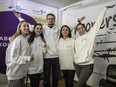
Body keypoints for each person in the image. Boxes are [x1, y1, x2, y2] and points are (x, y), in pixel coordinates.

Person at [13, 10, 60, 87]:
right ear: (46, 19)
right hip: (46, 58)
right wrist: (19, 18)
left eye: (52, 18)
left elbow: (68, 28)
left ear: (54, 20)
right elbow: (29, 25)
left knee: (56, 77)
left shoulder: (58, 29)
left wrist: (78, 22)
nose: (50, 20)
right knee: (46, 78)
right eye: (49, 18)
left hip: (56, 57)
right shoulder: (43, 28)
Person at [73, 5, 115, 87]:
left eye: (82, 27)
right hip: (77, 64)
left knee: (79, 85)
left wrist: (105, 9)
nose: (80, 29)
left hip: (87, 65)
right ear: (77, 31)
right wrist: (78, 21)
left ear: (84, 28)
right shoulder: (76, 39)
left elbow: (98, 22)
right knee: (82, 84)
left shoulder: (90, 34)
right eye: (78, 28)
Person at [5, 20, 34, 87]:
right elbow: (14, 57)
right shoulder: (18, 39)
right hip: (14, 73)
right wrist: (27, 58)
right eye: (24, 26)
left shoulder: (24, 39)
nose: (27, 27)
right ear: (19, 28)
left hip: (20, 73)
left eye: (27, 26)